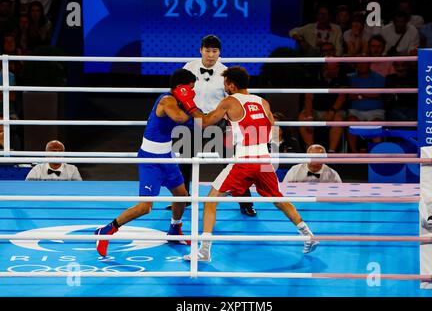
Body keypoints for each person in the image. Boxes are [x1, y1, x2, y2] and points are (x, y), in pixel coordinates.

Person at [173, 66, 319, 262]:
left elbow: (204, 123)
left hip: (243, 160)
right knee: (278, 199)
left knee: (210, 201)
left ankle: (204, 251)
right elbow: (270, 126)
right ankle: (308, 235)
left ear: (231, 85)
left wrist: (190, 106)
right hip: (264, 160)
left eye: (225, 82)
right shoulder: (262, 102)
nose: (224, 86)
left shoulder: (229, 102)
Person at [94, 69, 195, 257]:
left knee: (181, 196)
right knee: (145, 207)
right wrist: (194, 110)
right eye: (190, 89)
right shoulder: (167, 101)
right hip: (150, 158)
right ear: (181, 88)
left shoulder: (178, 100)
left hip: (166, 155)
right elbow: (180, 118)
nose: (192, 92)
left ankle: (174, 230)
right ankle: (107, 230)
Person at [180, 34, 256, 217]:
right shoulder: (188, 67)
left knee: (231, 163)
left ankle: (245, 203)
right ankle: (181, 199)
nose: (211, 55)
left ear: (219, 52)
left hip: (219, 121)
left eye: (214, 51)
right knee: (184, 161)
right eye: (207, 51)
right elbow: (180, 93)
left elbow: (236, 97)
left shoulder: (226, 72)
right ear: (201, 50)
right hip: (194, 119)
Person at [298, 62, 347, 153]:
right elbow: (308, 97)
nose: (336, 71)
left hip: (335, 110)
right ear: (325, 69)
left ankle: (331, 152)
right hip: (316, 110)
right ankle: (311, 150)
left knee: (338, 119)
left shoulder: (342, 76)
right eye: (333, 69)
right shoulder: (313, 77)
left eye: (337, 68)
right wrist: (309, 117)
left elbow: (342, 96)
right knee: (303, 117)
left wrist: (332, 111)